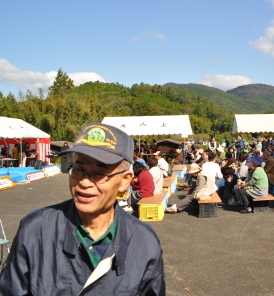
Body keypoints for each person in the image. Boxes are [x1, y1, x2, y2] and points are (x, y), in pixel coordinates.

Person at [0, 123, 165, 295]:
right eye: (78, 169)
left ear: (125, 180)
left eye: (99, 173)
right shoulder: (36, 230)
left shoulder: (144, 241)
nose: (84, 182)